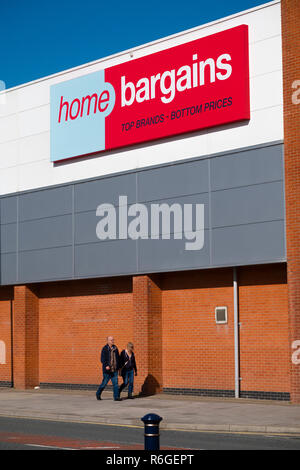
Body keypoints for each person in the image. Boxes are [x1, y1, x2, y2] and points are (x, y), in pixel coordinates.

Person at [96, 336, 121, 401]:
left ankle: (116, 397)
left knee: (115, 384)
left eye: (113, 340)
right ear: (107, 341)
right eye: (111, 340)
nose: (112, 341)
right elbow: (102, 359)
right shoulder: (104, 349)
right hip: (107, 370)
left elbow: (118, 358)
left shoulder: (115, 348)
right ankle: (98, 393)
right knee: (104, 384)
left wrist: (119, 367)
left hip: (114, 369)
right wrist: (106, 365)